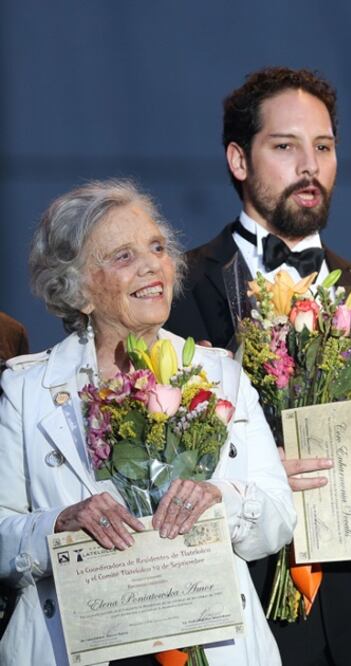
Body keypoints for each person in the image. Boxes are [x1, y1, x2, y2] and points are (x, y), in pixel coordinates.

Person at [165, 66, 351, 666]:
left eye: (324, 147)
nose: (310, 165)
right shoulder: (178, 290)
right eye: (286, 146)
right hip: (229, 603)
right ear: (238, 159)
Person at [0, 179, 295, 665]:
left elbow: (277, 519)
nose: (152, 265)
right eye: (122, 256)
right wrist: (58, 523)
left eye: (157, 247)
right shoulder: (28, 391)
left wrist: (222, 497)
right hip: (79, 646)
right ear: (79, 291)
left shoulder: (220, 374)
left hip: (212, 644)